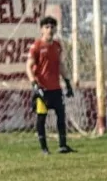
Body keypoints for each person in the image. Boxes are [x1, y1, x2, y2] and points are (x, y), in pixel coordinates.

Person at [26, 16, 75, 155]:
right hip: (42, 89)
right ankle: (44, 148)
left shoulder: (57, 46)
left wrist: (67, 82)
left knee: (61, 116)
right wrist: (34, 84)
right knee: (41, 118)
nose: (50, 29)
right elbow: (28, 67)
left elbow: (60, 65)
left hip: (56, 88)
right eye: (47, 27)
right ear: (41, 29)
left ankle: (63, 145)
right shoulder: (36, 46)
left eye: (52, 27)